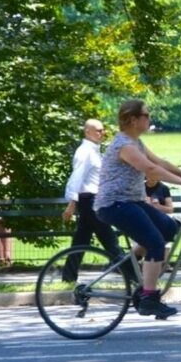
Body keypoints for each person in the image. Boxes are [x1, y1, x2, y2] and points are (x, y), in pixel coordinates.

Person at [94, 100, 181, 319]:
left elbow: (160, 162)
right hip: (115, 204)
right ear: (133, 120)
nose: (149, 118)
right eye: (146, 115)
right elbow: (150, 169)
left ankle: (127, 266)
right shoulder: (124, 146)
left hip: (132, 201)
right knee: (155, 243)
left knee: (169, 229)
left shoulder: (137, 143)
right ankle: (149, 298)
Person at [61, 119, 128, 282]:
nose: (102, 133)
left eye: (103, 130)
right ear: (87, 132)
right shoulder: (85, 152)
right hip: (91, 202)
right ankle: (135, 277)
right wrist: (71, 204)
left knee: (80, 242)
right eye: (98, 130)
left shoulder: (94, 151)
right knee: (111, 242)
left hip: (92, 202)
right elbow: (77, 178)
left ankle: (68, 278)